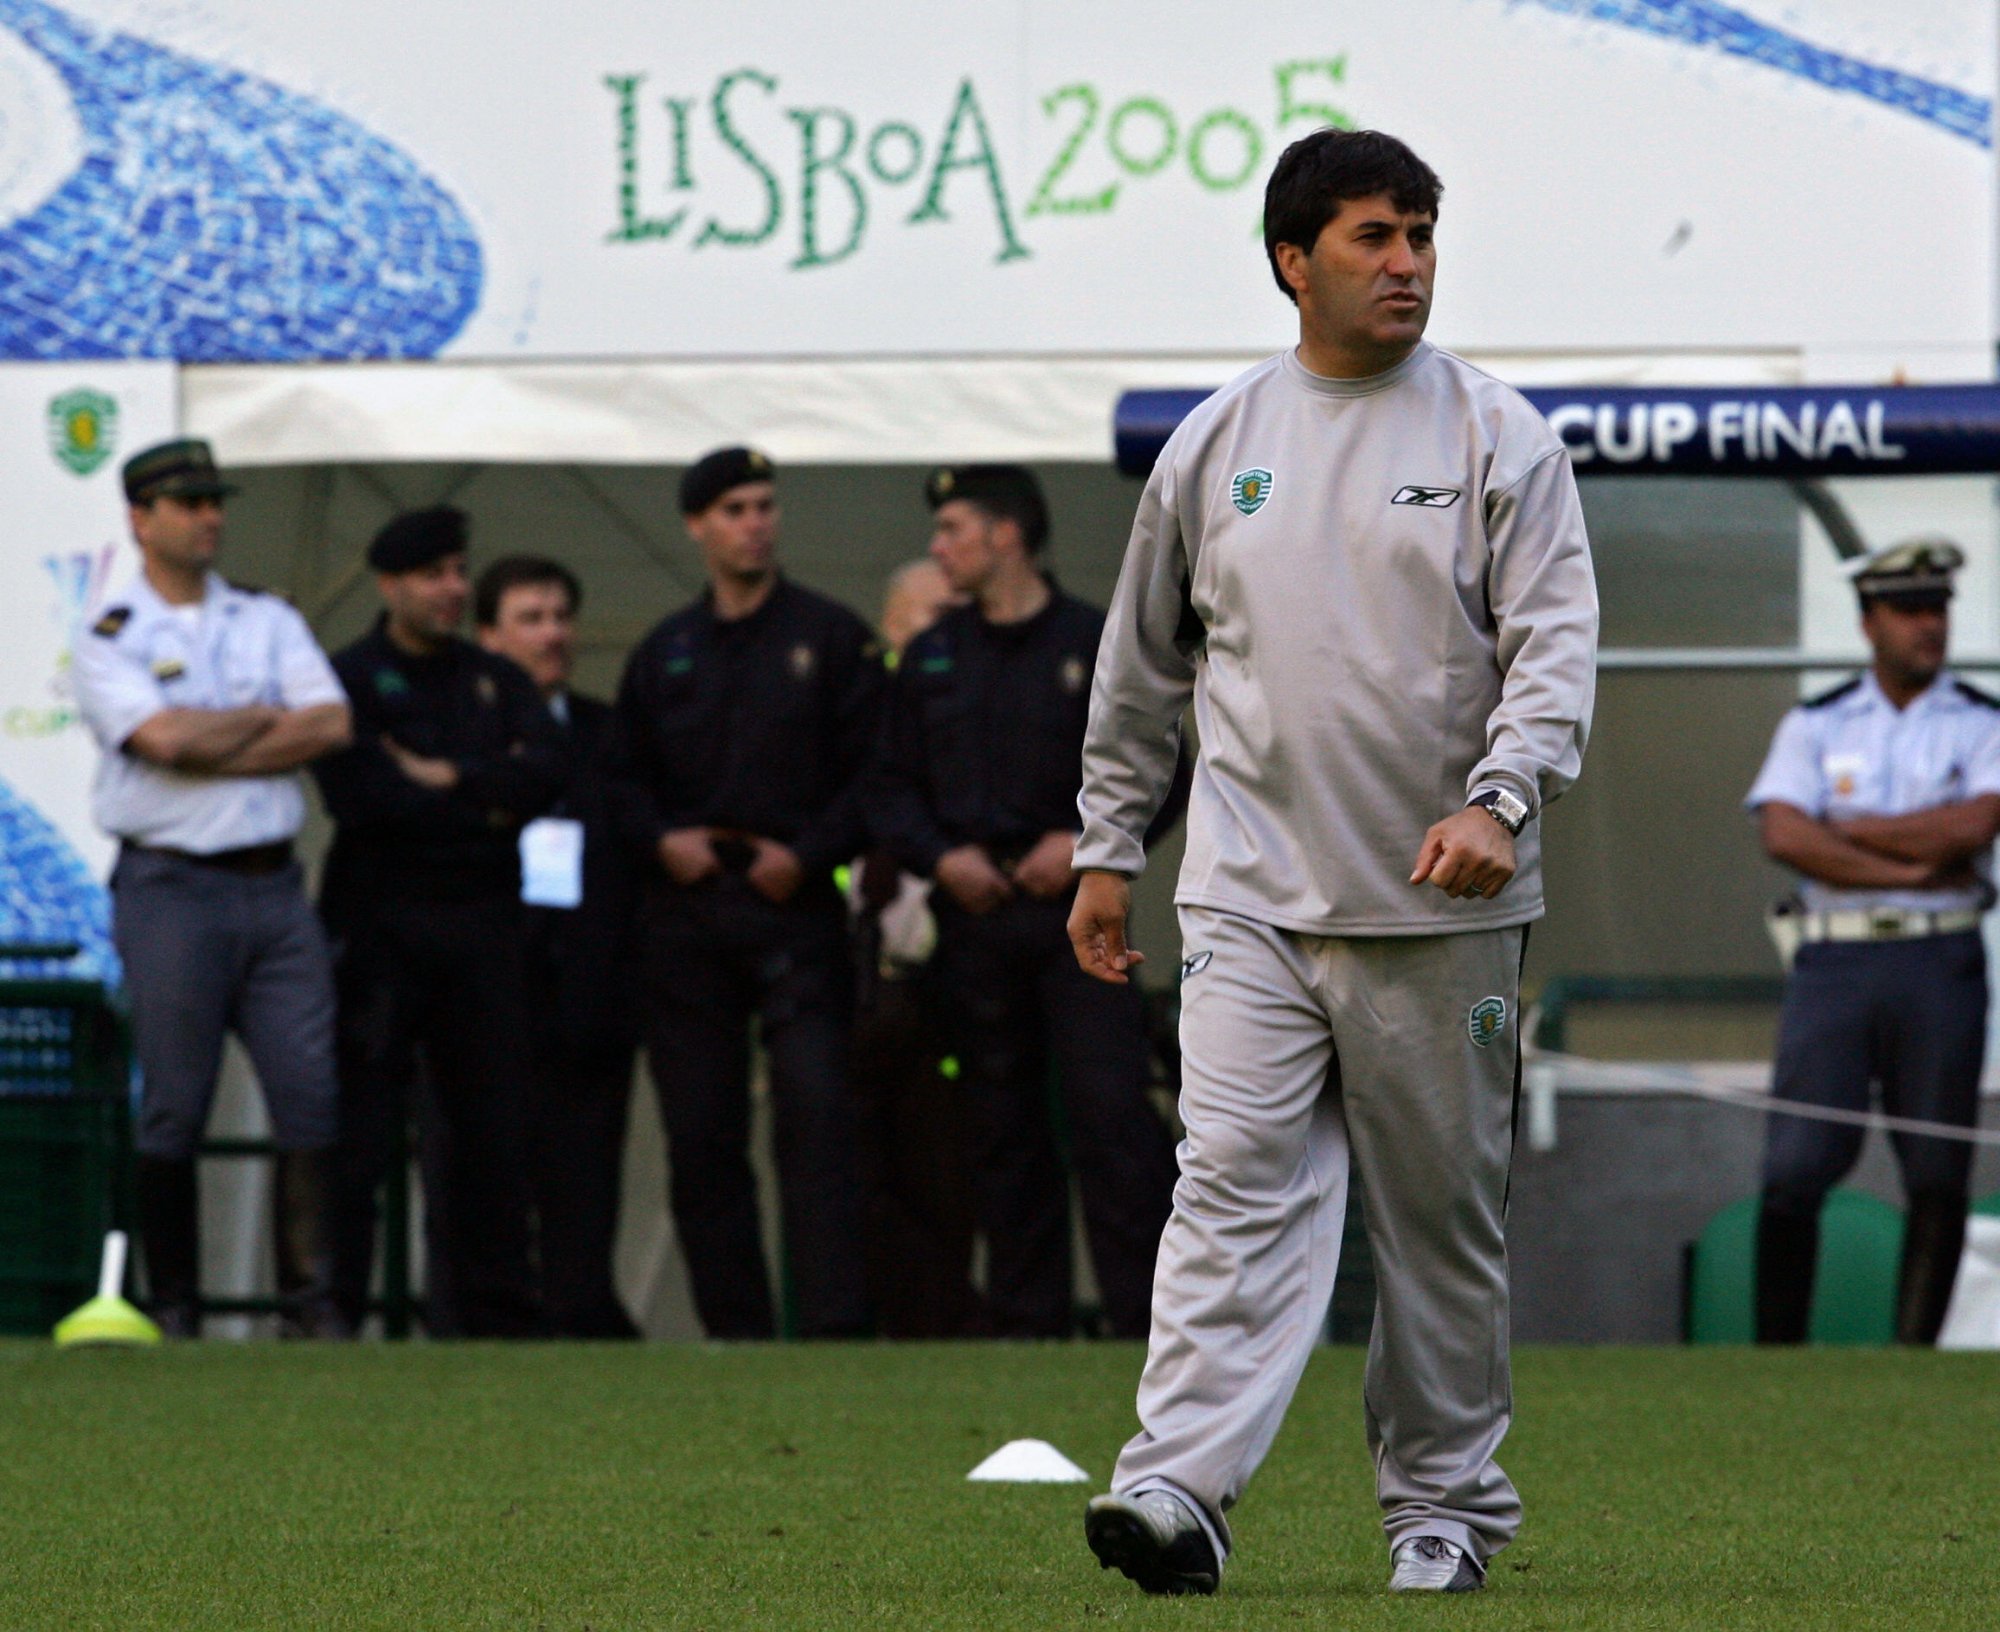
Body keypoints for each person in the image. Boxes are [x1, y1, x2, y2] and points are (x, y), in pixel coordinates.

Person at [1066, 129, 1597, 1596]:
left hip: (1448, 920)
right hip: (1245, 900)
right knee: (1227, 1184)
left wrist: (1501, 801)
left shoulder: (1501, 435)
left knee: (1438, 1228)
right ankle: (1176, 1490)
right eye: (1375, 236)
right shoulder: (1215, 444)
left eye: (1423, 234)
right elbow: (1138, 673)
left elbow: (1555, 655)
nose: (1410, 263)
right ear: (1294, 260)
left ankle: (1443, 1513)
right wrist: (1108, 848)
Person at [872, 465, 1181, 1339]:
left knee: (1112, 1118)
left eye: (953, 530)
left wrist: (1091, 849)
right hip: (974, 919)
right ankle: (1025, 1324)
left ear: (1005, 535)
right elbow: (889, 785)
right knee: (997, 1130)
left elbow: (1169, 766)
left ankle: (1145, 1329)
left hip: (1080, 917)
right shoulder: (933, 656)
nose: (938, 549)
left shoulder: (1094, 640)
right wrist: (943, 858)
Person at [72, 438, 353, 1339]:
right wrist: (267, 721)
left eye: (214, 500)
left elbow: (332, 722)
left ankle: (313, 1308)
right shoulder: (110, 628)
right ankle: (178, 1308)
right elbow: (162, 745)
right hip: (171, 887)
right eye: (188, 503)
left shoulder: (265, 617)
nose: (209, 517)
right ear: (140, 518)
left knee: (310, 1087)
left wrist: (213, 735)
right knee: (176, 1103)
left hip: (273, 888)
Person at [602, 447, 880, 1339]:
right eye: (733, 509)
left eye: (764, 505)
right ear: (697, 526)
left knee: (816, 1123)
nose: (755, 522)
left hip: (793, 908)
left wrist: (807, 855)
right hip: (688, 917)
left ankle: (831, 1328)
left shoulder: (831, 639)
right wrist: (661, 841)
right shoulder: (666, 652)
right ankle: (737, 1330)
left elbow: (875, 773)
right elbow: (620, 781)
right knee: (702, 1134)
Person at [313, 508, 565, 1337]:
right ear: (390, 585)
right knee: (362, 1129)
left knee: (492, 1128)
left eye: (460, 570)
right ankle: (338, 1305)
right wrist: (482, 799)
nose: (454, 589)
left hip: (484, 931)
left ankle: (493, 1317)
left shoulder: (495, 679)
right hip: (380, 927)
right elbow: (365, 799)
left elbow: (543, 779)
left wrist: (445, 777)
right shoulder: (348, 676)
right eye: (434, 575)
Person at [1745, 540, 2000, 1346]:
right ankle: (1774, 1363)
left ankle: (1912, 1359)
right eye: (1910, 609)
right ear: (1869, 622)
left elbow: (1976, 823)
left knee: (1936, 1168)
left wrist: (1847, 833)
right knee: (1794, 1167)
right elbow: (1785, 833)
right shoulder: (1815, 721)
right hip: (1837, 960)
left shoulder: (1981, 719)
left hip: (1939, 956)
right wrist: (1914, 859)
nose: (1930, 625)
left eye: (1940, 608)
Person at [474, 555, 641, 1338]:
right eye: (530, 619)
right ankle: (485, 1311)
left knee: (588, 1157)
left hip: (591, 979)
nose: (552, 635)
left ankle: (581, 1306)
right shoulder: (469, 736)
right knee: (481, 1153)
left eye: (560, 616)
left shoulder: (609, 731)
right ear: (488, 636)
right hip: (487, 982)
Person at [849, 558, 978, 1338]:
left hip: (949, 972)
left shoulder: (965, 707)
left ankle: (952, 1317)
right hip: (864, 977)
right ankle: (876, 1322)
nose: (945, 628)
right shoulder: (863, 712)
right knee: (863, 1166)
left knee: (950, 1160)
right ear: (892, 626)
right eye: (929, 615)